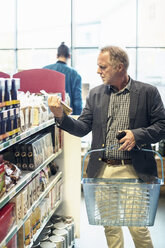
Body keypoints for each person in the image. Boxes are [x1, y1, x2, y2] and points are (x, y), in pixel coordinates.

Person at [48, 45, 165, 248]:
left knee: (138, 227)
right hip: (102, 170)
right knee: (110, 226)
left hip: (134, 171)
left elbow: (162, 126)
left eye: (103, 67)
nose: (98, 71)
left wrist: (137, 135)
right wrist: (60, 116)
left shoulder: (148, 92)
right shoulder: (95, 94)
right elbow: (82, 127)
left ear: (119, 67)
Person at [43, 42, 82, 115]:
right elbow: (77, 102)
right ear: (69, 56)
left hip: (47, 117)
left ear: (57, 55)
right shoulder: (75, 74)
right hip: (66, 118)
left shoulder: (45, 70)